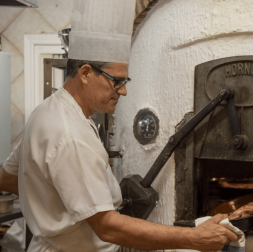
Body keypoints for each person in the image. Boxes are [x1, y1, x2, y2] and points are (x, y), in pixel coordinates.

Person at [0, 0, 237, 251]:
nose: (123, 91)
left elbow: (6, 178)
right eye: (117, 81)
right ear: (85, 73)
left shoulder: (46, 111)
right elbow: (107, 227)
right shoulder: (71, 135)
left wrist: (59, 202)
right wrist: (194, 238)